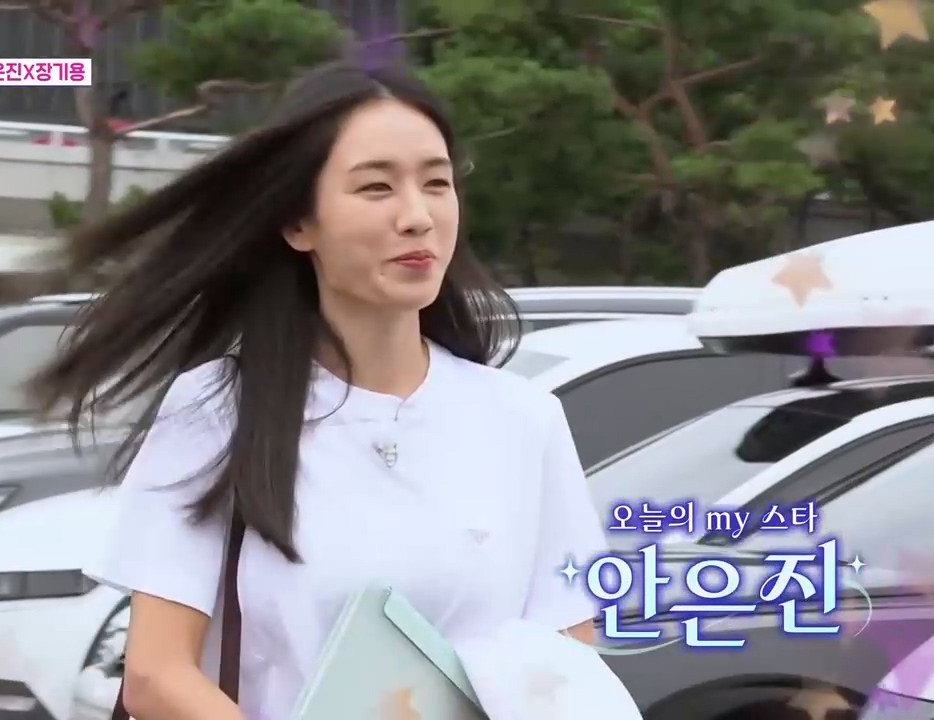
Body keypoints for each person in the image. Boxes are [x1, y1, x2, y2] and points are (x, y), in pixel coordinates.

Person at [30, 60, 612, 720]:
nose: (417, 216)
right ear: (298, 224)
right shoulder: (217, 409)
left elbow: (566, 664)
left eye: (437, 183)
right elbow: (157, 676)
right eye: (376, 187)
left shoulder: (524, 420)